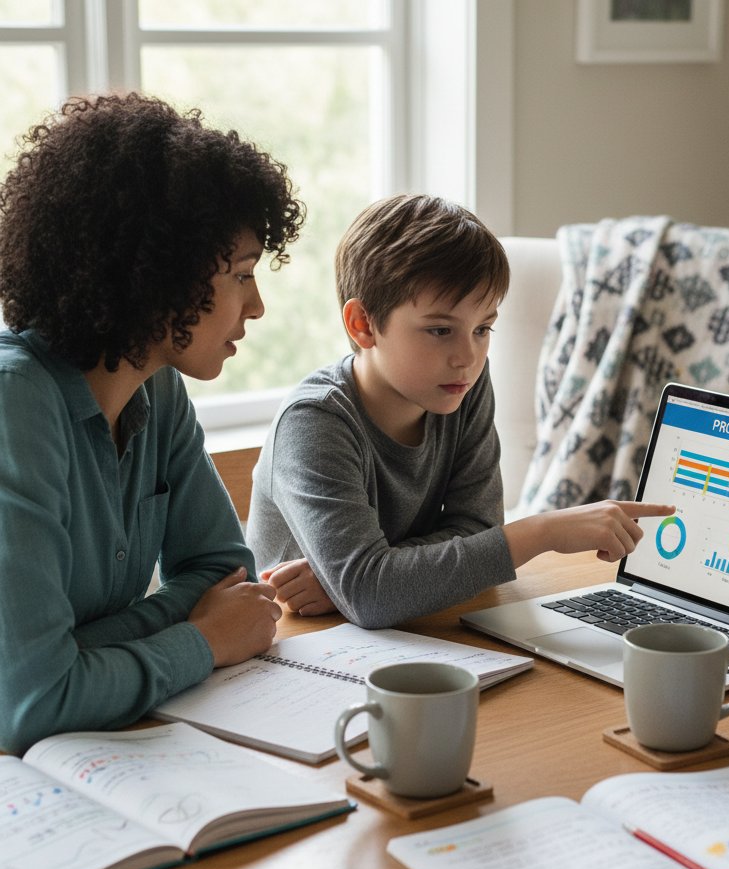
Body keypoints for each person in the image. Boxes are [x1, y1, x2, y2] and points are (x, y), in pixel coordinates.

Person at [0, 93, 304, 754]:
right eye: (243, 276)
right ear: (160, 275)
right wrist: (201, 638)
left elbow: (229, 579)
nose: (256, 307)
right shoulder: (13, 405)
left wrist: (84, 652)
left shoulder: (157, 384)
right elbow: (34, 703)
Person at [247, 193, 672, 628]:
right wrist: (539, 532)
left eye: (483, 328)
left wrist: (368, 577)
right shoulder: (314, 422)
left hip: (409, 630)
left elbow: (477, 528)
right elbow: (372, 596)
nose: (468, 356)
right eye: (439, 330)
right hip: (293, 644)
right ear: (363, 324)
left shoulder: (460, 386)